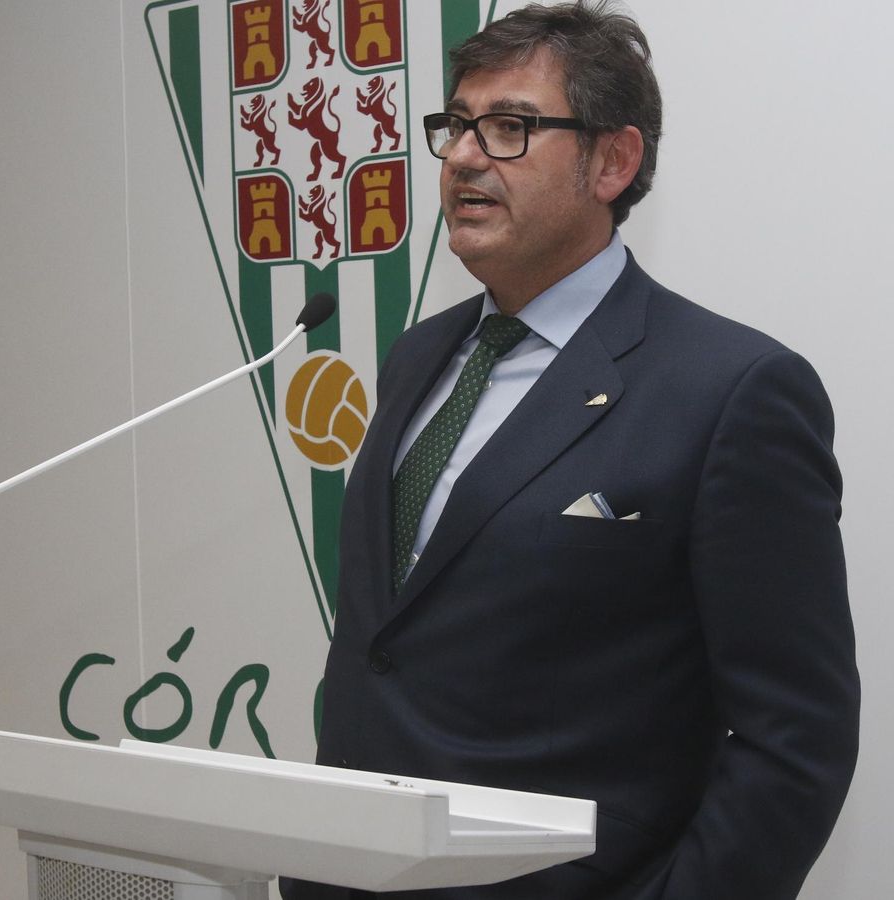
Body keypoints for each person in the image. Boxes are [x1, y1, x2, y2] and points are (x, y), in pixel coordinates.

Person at [284, 3, 859, 897]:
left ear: (613, 160)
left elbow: (796, 740)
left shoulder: (730, 391)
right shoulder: (416, 359)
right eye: (457, 125)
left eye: (511, 127)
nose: (466, 156)